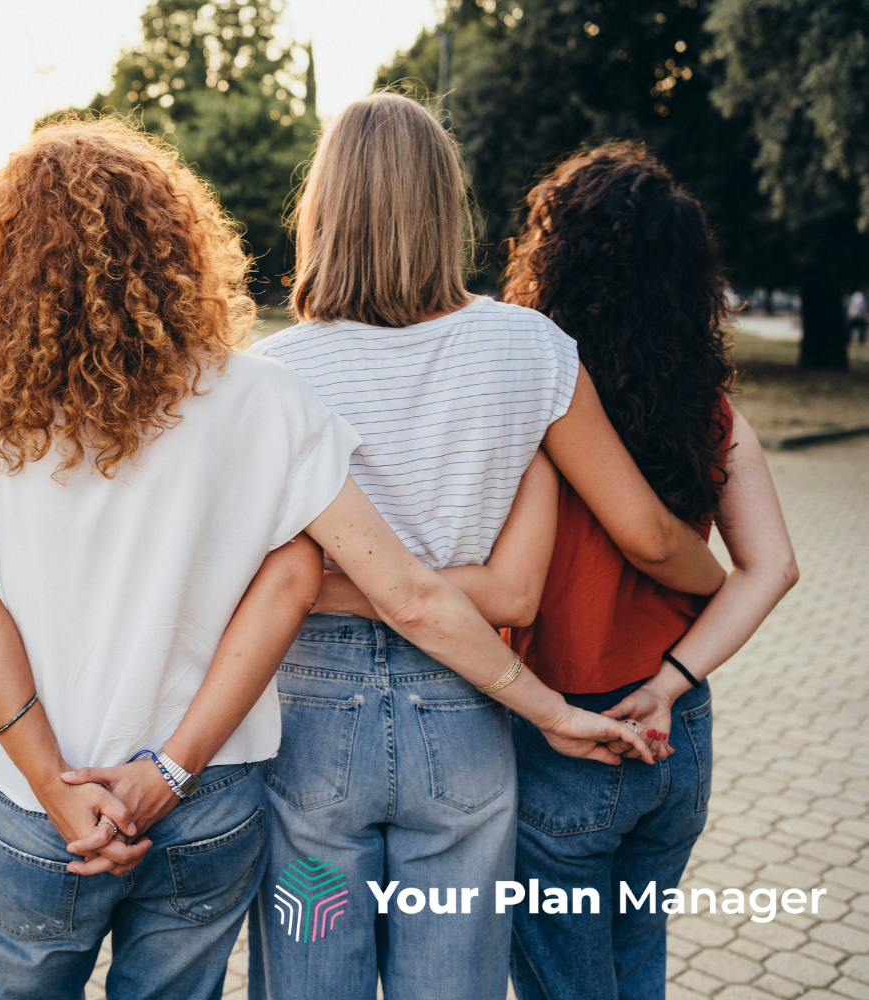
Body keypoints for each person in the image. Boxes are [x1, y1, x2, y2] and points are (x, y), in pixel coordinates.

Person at [0, 117, 652, 1000]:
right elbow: (398, 595)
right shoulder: (263, 401)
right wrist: (551, 710)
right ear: (179, 242)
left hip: (32, 810)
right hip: (205, 802)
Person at [246, 93, 726, 1000]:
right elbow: (524, 590)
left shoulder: (274, 377)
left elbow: (256, 586)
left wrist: (340, 587)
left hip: (312, 728)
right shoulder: (531, 350)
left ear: (324, 208)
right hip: (463, 716)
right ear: (445, 205)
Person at [502, 143, 798, 1000]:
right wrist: (673, 675)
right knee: (639, 965)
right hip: (677, 729)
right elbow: (772, 567)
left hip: (568, 733)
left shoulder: (544, 393)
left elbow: (651, 542)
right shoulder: (709, 404)